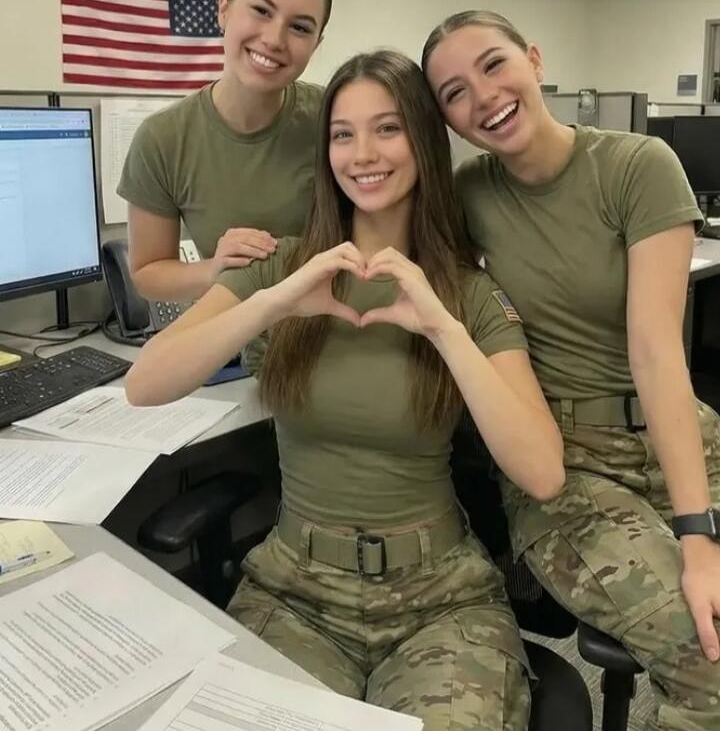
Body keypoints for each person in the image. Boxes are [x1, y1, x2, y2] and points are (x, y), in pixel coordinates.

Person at [126, 49, 566, 729]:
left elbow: (540, 470)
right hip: (295, 593)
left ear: (422, 139)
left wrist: (443, 328)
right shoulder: (283, 265)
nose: (364, 153)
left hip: (440, 603)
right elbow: (145, 384)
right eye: (343, 133)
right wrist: (273, 304)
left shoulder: (468, 293)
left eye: (388, 129)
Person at [422, 9, 720, 731]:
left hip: (677, 438)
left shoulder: (636, 165)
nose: (483, 96)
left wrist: (695, 535)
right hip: (566, 468)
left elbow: (656, 353)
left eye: (493, 65)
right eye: (454, 92)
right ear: (448, 120)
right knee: (712, 668)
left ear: (533, 58)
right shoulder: (468, 197)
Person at [117, 0, 332, 302]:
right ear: (224, 9)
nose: (274, 39)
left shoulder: (335, 118)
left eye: (299, 28)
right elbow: (148, 273)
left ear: (317, 43)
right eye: (262, 10)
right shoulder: (162, 140)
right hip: (233, 338)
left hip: (330, 333)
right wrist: (214, 268)